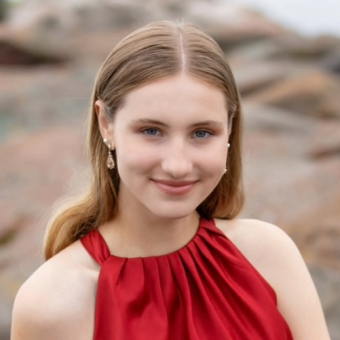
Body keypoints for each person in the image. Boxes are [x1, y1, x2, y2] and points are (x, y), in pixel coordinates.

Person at [11, 20, 330, 340]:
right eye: (151, 131)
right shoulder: (52, 303)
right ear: (106, 124)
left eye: (202, 133)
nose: (178, 165)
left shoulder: (268, 254)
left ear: (230, 130)